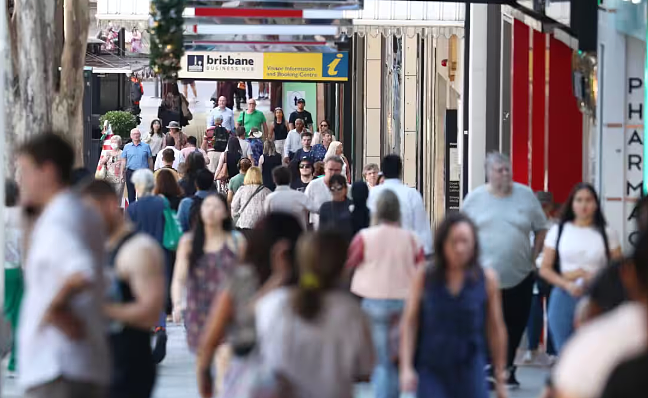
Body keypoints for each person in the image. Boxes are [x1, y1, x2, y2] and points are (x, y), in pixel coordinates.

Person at [17, 133, 110, 398]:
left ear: (47, 171)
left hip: (57, 370)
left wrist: (55, 311)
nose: (22, 180)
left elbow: (81, 271)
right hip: (76, 366)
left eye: (25, 171)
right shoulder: (78, 212)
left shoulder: (58, 220)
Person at [461, 152, 548, 388]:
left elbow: (541, 228)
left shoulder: (525, 195)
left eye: (507, 169)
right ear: (488, 173)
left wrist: (534, 256)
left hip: (520, 274)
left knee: (515, 322)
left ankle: (506, 367)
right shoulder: (475, 199)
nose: (505, 173)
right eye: (499, 169)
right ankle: (490, 366)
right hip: (483, 275)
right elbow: (461, 231)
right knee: (484, 321)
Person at [195, 213, 304, 398]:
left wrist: (205, 380)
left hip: (246, 379)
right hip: (298, 379)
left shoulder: (242, 278)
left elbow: (210, 340)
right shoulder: (307, 284)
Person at [400, 213, 508, 398]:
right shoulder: (425, 276)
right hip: (432, 366)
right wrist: (406, 367)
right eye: (453, 242)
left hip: (470, 365)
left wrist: (500, 376)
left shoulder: (486, 279)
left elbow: (496, 328)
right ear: (442, 244)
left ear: (474, 244)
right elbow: (410, 322)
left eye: (465, 241)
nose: (459, 248)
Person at [255, 231, 374, 398]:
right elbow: (364, 371)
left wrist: (278, 277)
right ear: (343, 267)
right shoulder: (351, 312)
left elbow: (244, 332)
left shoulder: (274, 304)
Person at [81, 180, 165, 398]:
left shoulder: (139, 249)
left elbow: (149, 313)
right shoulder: (99, 250)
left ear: (109, 205)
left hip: (127, 372)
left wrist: (101, 310)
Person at [346, 189, 425, 398]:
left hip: (373, 302)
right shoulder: (412, 239)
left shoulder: (364, 237)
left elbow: (350, 265)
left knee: (381, 362)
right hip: (405, 303)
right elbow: (422, 272)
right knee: (403, 359)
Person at [171, 194, 246, 353]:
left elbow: (245, 276)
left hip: (228, 309)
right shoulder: (188, 242)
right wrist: (178, 303)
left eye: (216, 206)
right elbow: (179, 278)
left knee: (224, 358)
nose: (210, 210)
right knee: (202, 361)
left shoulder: (236, 241)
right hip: (198, 310)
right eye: (207, 206)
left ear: (225, 213)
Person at [125, 168, 169, 361]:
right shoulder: (162, 203)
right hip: (161, 253)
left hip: (139, 256)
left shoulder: (132, 209)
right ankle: (160, 327)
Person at [368, 155, 433, 257]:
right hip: (406, 254)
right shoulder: (411, 194)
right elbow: (422, 229)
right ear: (400, 171)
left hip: (378, 252)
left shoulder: (373, 194)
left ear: (383, 172)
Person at [4, 180, 23, 375]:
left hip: (4, 269)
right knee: (17, 316)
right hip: (18, 269)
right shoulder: (21, 214)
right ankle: (15, 361)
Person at [304, 156, 344, 229]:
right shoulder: (313, 185)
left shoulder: (347, 189)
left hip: (340, 233)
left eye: (337, 170)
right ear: (325, 169)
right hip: (318, 232)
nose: (333, 173)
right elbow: (304, 208)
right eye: (330, 169)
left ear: (341, 171)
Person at [231, 167, 272, 232]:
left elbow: (234, 207)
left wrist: (236, 215)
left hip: (244, 224)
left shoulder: (242, 190)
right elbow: (270, 211)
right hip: (260, 226)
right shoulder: (267, 192)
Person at [121, 128, 153, 204]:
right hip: (130, 172)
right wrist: (122, 172)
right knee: (131, 194)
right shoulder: (126, 147)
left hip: (143, 173)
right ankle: (132, 212)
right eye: (134, 134)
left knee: (142, 194)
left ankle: (141, 211)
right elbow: (123, 160)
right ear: (131, 136)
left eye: (137, 134)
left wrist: (151, 172)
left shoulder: (146, 146)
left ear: (140, 135)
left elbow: (150, 160)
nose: (136, 136)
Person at [318, 174, 353, 239]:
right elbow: (321, 230)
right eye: (333, 188)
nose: (336, 191)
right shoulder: (325, 207)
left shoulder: (353, 206)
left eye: (339, 188)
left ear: (345, 189)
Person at [99, 134, 125, 201]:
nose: (113, 144)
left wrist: (122, 174)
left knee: (117, 197)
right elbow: (101, 163)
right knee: (109, 197)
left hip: (119, 178)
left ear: (119, 143)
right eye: (112, 142)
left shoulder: (122, 153)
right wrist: (105, 159)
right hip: (109, 177)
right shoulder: (108, 153)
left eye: (115, 142)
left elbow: (124, 164)